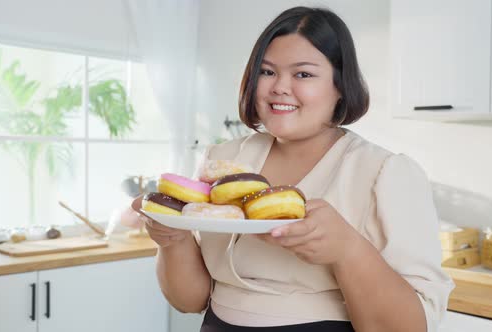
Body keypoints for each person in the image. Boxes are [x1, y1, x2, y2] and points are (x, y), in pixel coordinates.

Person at [129, 6, 454, 332]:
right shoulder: (222, 162)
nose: (279, 87)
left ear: (341, 85)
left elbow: (410, 327)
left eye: (303, 74)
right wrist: (172, 239)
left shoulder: (385, 173)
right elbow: (190, 302)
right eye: (267, 72)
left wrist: (347, 249)